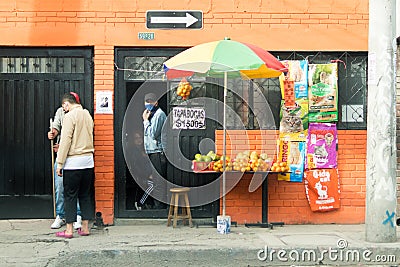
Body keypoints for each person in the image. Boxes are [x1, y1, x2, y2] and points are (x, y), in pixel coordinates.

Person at [55, 93, 95, 238]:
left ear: (66, 104)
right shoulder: (87, 115)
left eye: (63, 106)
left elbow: (65, 141)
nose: (64, 109)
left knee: (70, 196)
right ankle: (85, 228)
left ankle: (69, 230)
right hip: (88, 160)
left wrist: (60, 163)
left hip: (73, 162)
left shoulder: (69, 117)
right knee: (85, 195)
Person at [48, 92, 82, 229]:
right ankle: (60, 215)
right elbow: (56, 126)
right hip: (62, 155)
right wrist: (53, 133)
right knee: (60, 186)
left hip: (74, 154)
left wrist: (62, 146)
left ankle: (77, 215)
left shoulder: (80, 114)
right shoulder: (61, 112)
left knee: (76, 187)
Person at [141, 93, 167, 209]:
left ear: (156, 102)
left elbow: (153, 134)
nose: (149, 104)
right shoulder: (153, 114)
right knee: (154, 180)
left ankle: (159, 208)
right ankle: (156, 205)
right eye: (147, 101)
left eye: (151, 101)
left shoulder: (159, 114)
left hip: (157, 151)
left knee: (158, 181)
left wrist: (145, 121)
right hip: (152, 151)